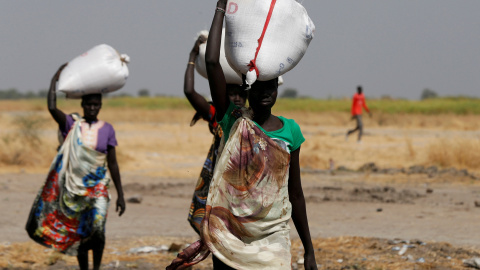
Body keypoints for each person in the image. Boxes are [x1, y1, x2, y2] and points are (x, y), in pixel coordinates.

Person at [167, 1, 317, 269]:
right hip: (230, 234)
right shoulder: (233, 120)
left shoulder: (291, 131)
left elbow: (296, 194)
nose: (266, 93)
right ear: (249, 91)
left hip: (273, 238)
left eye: (271, 87)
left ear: (277, 90)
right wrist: (221, 9)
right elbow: (212, 62)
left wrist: (309, 250)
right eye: (259, 88)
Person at [26, 64, 126, 270]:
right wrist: (54, 79)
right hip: (74, 188)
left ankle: (96, 267)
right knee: (80, 231)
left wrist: (121, 195)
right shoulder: (72, 125)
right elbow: (52, 108)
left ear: (100, 106)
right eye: (88, 104)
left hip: (98, 187)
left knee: (98, 229)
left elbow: (113, 163)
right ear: (82, 104)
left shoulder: (107, 129)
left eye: (96, 104)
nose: (92, 108)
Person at [184, 35, 247, 234]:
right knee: (217, 230)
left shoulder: (255, 117)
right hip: (220, 178)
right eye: (231, 93)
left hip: (245, 179)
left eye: (240, 93)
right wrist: (192, 56)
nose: (236, 98)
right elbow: (189, 91)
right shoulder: (217, 115)